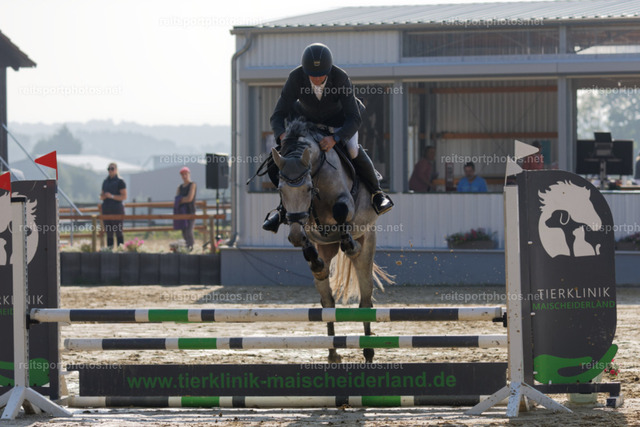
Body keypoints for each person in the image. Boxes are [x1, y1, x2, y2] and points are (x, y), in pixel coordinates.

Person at [263, 43, 393, 233]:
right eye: (312, 75)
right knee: (277, 161)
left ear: (328, 70)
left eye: (321, 75)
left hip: (342, 122)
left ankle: (377, 193)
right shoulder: (296, 77)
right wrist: (281, 135)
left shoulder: (340, 78)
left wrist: (335, 138)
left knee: (352, 150)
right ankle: (282, 209)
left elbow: (354, 118)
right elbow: (277, 115)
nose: (316, 79)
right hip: (308, 124)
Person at [100, 162, 127, 248]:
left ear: (116, 170)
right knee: (109, 232)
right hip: (106, 210)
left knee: (118, 231)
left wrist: (111, 196)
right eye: (109, 169)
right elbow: (101, 195)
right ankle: (109, 250)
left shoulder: (120, 181)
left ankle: (120, 250)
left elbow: (124, 196)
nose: (110, 170)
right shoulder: (105, 182)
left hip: (117, 210)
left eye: (112, 168)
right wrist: (104, 196)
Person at [174, 166, 197, 250]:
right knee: (184, 231)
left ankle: (191, 247)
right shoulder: (180, 187)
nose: (184, 176)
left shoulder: (192, 185)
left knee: (189, 231)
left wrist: (180, 199)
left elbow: (189, 198)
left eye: (186, 174)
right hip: (182, 212)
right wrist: (181, 199)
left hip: (190, 211)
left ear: (189, 174)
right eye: (183, 174)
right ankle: (187, 248)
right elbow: (177, 198)